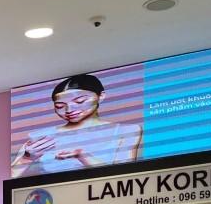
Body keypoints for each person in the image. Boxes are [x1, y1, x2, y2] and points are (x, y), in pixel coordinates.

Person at [11, 74, 143, 175]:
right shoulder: (39, 137)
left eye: (80, 101)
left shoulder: (126, 131)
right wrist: (26, 158)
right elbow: (10, 179)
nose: (69, 110)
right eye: (60, 106)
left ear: (101, 96)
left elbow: (124, 177)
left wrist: (82, 156)